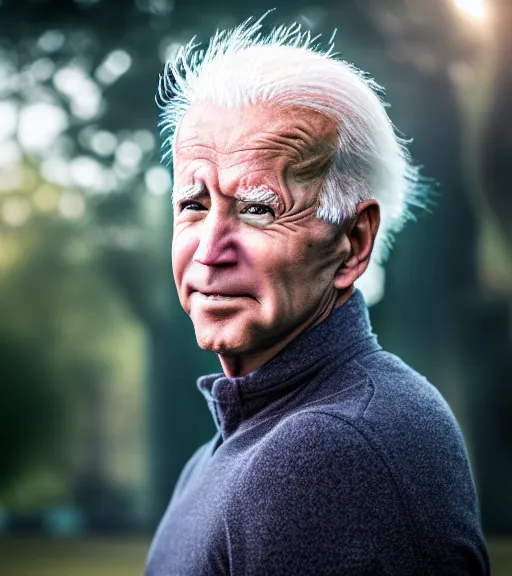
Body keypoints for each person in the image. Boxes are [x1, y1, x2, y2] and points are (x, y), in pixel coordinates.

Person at [145, 16, 490, 576]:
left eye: (258, 208)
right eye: (193, 204)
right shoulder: (232, 446)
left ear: (352, 243)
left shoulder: (325, 450)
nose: (209, 250)